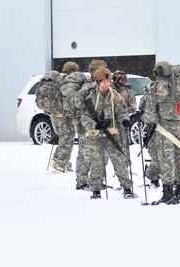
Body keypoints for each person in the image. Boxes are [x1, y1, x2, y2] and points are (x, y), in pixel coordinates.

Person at [139, 61, 180, 204]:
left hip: (164, 128)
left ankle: (168, 193)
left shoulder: (157, 86)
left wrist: (143, 117)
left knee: (167, 160)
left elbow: (150, 115)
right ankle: (179, 192)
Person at [79, 68, 135, 199]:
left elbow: (122, 111)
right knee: (96, 163)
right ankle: (96, 190)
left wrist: (125, 121)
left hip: (112, 134)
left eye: (108, 80)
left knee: (120, 161)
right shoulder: (91, 97)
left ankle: (127, 188)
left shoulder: (114, 95)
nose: (106, 83)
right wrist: (95, 125)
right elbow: (84, 117)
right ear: (98, 81)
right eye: (103, 81)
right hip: (95, 136)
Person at [73, 60, 107, 189]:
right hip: (86, 124)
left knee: (101, 154)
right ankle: (82, 182)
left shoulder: (102, 84)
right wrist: (88, 110)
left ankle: (98, 181)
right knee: (85, 153)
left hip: (100, 124)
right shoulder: (87, 86)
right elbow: (77, 102)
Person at [50, 62, 82, 173]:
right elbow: (69, 99)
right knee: (67, 140)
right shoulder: (68, 83)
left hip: (54, 116)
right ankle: (61, 166)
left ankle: (55, 160)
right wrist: (71, 112)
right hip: (64, 117)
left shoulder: (57, 81)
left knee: (63, 140)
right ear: (72, 70)